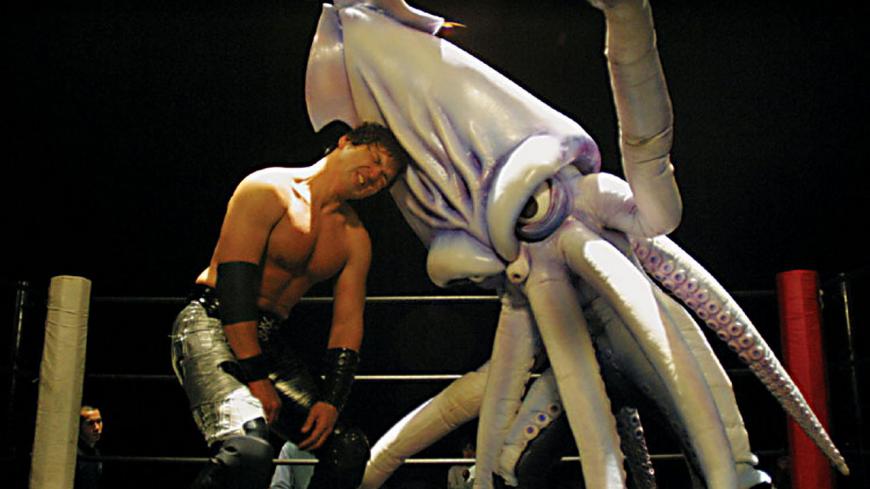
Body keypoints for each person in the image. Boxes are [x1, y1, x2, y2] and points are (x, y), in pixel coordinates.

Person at [171, 122, 410, 489]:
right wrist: (255, 374)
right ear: (345, 142)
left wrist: (331, 400)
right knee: (248, 452)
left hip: (269, 341)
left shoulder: (354, 238)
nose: (374, 177)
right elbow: (235, 283)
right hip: (213, 321)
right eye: (375, 160)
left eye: (384, 178)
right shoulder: (268, 188)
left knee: (346, 449)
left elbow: (347, 323)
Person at [75, 405, 103, 489]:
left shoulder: (96, 453)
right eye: (90, 423)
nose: (97, 428)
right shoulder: (73, 454)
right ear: (79, 426)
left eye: (99, 421)